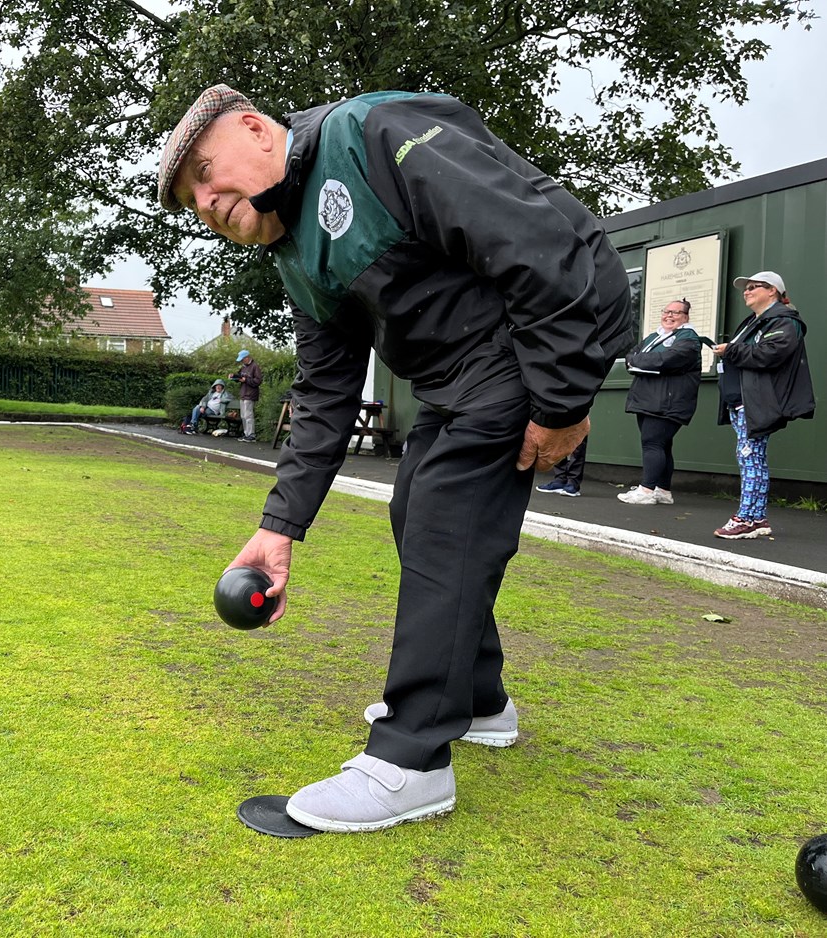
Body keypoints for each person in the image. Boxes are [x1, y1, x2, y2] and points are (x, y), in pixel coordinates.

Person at [159, 85, 632, 833]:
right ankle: (480, 700)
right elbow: (324, 395)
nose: (208, 202)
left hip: (529, 332)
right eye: (194, 202)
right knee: (414, 510)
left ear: (256, 128)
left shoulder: (372, 135)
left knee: (446, 519)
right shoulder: (295, 258)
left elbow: (532, 241)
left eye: (209, 174)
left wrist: (563, 400)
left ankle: (412, 761)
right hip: (458, 373)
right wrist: (278, 529)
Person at [711, 272, 814, 539]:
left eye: (754, 287)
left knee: (750, 458)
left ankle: (745, 518)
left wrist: (730, 350)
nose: (747, 291)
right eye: (746, 288)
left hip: (757, 403)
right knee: (750, 458)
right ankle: (757, 518)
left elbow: (771, 354)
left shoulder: (784, 321)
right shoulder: (754, 322)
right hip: (740, 403)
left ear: (773, 291)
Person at [616, 298, 704, 505]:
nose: (669, 316)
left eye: (676, 313)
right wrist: (638, 361)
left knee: (652, 443)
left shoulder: (689, 339)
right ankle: (663, 491)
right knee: (662, 446)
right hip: (648, 400)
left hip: (667, 402)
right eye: (666, 312)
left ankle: (646, 491)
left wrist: (639, 361)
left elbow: (665, 360)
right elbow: (631, 356)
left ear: (686, 317)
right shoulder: (655, 336)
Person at [229, 349, 263, 442]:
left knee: (248, 415)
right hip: (243, 393)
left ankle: (251, 435)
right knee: (243, 415)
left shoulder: (255, 367)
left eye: (242, 359)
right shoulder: (244, 367)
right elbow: (240, 376)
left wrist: (246, 380)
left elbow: (258, 381)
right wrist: (234, 377)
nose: (241, 361)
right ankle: (246, 433)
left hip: (250, 394)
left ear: (247, 357)